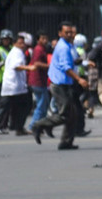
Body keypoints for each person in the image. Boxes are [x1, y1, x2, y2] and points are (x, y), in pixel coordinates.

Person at [32, 21, 88, 150]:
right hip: (59, 84)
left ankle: (66, 142)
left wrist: (80, 62)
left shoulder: (68, 45)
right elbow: (66, 68)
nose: (70, 34)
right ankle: (39, 125)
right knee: (65, 114)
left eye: (71, 32)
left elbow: (69, 62)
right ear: (60, 33)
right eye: (66, 32)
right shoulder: (63, 47)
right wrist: (79, 79)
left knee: (73, 114)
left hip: (66, 84)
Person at [0, 34, 36, 139]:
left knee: (22, 106)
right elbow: (16, 66)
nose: (22, 45)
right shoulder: (16, 53)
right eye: (20, 43)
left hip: (17, 87)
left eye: (23, 43)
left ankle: (18, 127)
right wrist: (29, 68)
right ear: (14, 43)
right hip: (12, 86)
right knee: (5, 108)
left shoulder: (17, 52)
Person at [27, 30, 50, 131]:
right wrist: (50, 66)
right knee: (41, 105)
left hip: (41, 80)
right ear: (38, 40)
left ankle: (40, 125)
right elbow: (36, 63)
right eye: (42, 38)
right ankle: (33, 126)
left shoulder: (42, 49)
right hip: (37, 81)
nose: (45, 40)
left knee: (44, 104)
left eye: (46, 38)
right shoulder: (38, 49)